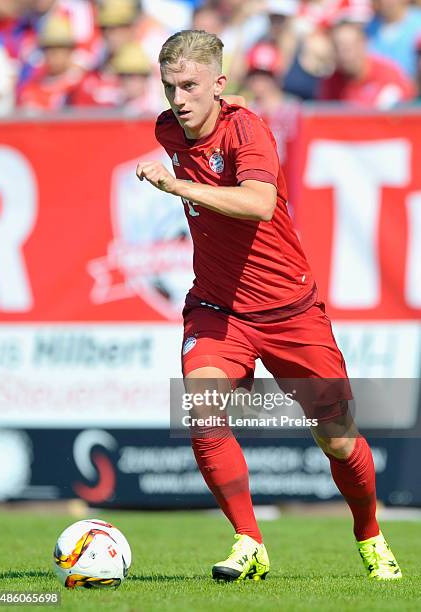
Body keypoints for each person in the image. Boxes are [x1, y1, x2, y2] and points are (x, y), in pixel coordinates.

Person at [136, 29, 402, 582]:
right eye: (169, 86)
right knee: (203, 409)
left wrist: (177, 189)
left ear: (219, 84)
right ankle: (248, 541)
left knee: (338, 436)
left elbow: (258, 205)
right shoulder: (168, 130)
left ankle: (370, 534)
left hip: (290, 310)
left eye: (189, 85)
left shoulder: (248, 130)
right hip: (217, 308)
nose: (178, 99)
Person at [318, 19, 416, 108]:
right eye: (338, 47)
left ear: (363, 43)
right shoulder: (331, 83)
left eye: (349, 47)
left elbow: (409, 110)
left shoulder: (388, 74)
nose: (344, 54)